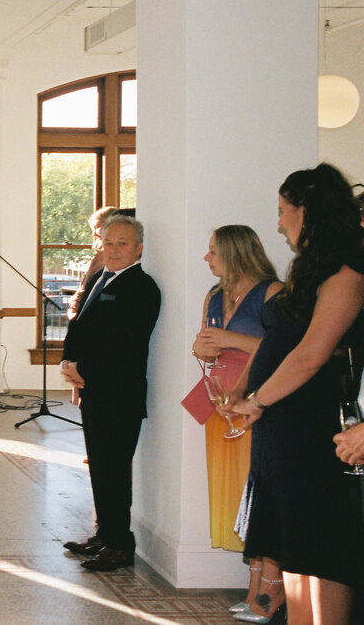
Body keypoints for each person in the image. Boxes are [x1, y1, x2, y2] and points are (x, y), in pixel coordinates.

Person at [228, 163, 364, 624]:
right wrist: (246, 390)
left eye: (284, 211)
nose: (280, 221)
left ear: (308, 212)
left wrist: (259, 400)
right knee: (294, 546)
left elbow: (312, 353)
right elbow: (279, 342)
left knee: (319, 546)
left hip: (311, 423)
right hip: (281, 424)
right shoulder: (308, 268)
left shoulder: (347, 271)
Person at [189, 225, 283, 619]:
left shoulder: (273, 293)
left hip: (260, 398)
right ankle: (253, 587)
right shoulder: (215, 294)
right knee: (232, 494)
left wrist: (228, 339)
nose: (207, 259)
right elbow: (207, 343)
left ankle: (270, 591)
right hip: (220, 396)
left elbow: (285, 347)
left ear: (235, 253)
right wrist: (202, 346)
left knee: (259, 490)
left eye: (213, 252)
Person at [60, 214, 160, 572]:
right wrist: (69, 361)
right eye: (108, 242)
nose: (113, 250)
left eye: (122, 244)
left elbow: (124, 344)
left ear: (138, 248)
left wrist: (82, 369)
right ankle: (104, 536)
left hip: (119, 395)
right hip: (95, 391)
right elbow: (81, 328)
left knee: (115, 471)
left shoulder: (142, 287)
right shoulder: (102, 278)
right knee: (100, 468)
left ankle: (120, 546)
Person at [67, 206, 118, 321]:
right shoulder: (98, 258)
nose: (94, 233)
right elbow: (82, 288)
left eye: (97, 227)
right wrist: (73, 308)